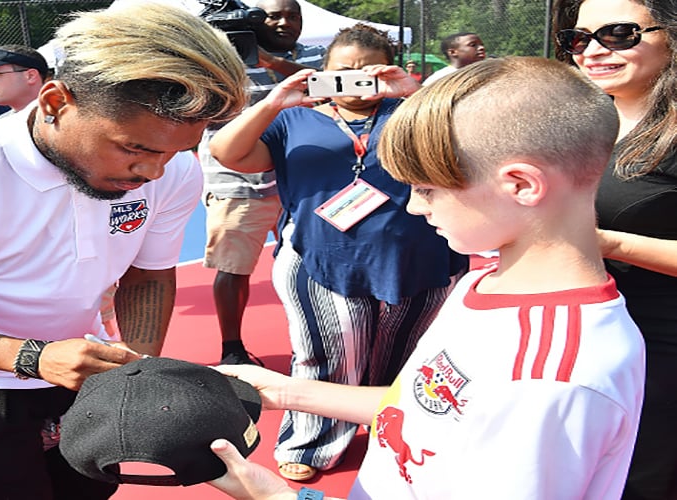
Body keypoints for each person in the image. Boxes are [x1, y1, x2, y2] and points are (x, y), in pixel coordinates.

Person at [0, 5, 247, 500]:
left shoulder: (174, 170)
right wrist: (34, 358)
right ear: (55, 101)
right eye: (132, 148)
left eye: (176, 151)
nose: (155, 173)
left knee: (91, 495)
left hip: (91, 374)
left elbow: (149, 272)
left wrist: (136, 369)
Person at [207, 55, 645, 500]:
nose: (415, 206)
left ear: (521, 185)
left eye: (427, 188)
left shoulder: (547, 377)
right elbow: (425, 409)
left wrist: (276, 497)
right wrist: (286, 392)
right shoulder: (484, 284)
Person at [209, 24, 467, 482]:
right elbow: (228, 152)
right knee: (326, 354)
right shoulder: (293, 118)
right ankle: (310, 443)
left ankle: (387, 429)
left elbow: (471, 141)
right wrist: (274, 100)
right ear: (321, 71)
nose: (356, 80)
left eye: (368, 70)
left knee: (402, 355)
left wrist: (415, 93)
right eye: (342, 71)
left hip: (417, 256)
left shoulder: (414, 112)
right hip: (322, 259)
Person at [554, 1, 677, 498]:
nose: (594, 50)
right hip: (580, 340)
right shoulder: (580, 121)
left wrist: (603, 242)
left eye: (620, 34)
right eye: (579, 38)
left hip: (659, 353)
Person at [200, 0, 326, 367]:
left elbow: (329, 88)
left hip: (301, 179)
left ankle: (318, 338)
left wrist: (273, 64)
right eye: (273, 16)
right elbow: (205, 112)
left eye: (294, 16)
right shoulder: (223, 60)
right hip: (236, 182)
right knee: (233, 267)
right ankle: (233, 348)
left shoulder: (314, 55)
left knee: (311, 263)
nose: (285, 23)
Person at [421, 31, 486, 85]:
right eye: (473, 45)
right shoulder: (440, 78)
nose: (481, 48)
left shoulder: (487, 72)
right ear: (452, 52)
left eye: (482, 45)